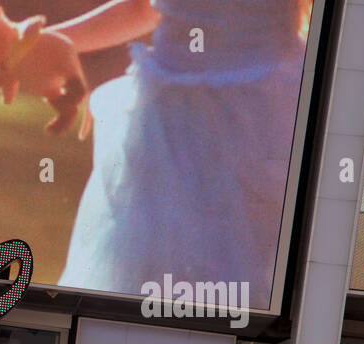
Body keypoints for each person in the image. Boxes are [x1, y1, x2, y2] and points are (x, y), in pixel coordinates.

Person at [26, 0, 312, 306]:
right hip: (171, 124)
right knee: (155, 277)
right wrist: (34, 46)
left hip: (260, 117)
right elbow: (143, 8)